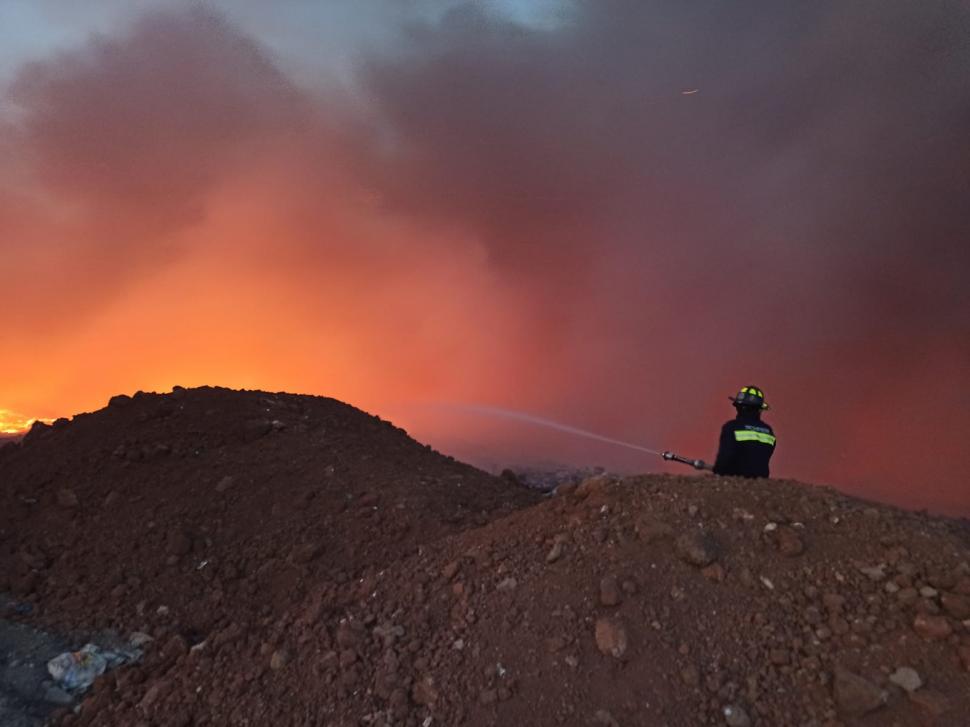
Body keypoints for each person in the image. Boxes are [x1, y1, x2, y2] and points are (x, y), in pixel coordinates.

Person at [712, 385, 776, 478]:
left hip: (736, 482)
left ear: (738, 407)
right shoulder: (768, 431)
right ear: (759, 409)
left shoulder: (732, 427)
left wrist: (718, 471)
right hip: (761, 484)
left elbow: (724, 460)